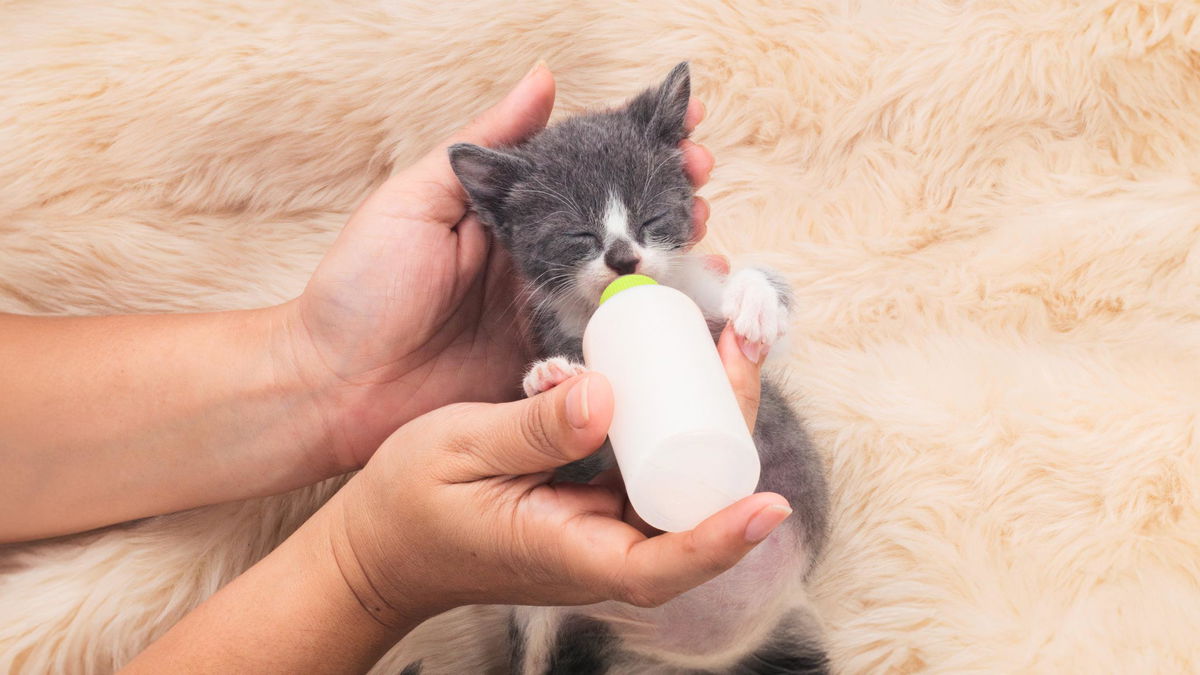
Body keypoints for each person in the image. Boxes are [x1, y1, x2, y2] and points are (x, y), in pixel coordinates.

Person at [1, 63, 792, 670]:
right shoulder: (558, 326)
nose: (624, 255)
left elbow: (743, 299)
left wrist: (317, 366)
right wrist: (366, 571)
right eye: (577, 242)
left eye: (652, 222)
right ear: (502, 219)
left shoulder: (665, 286)